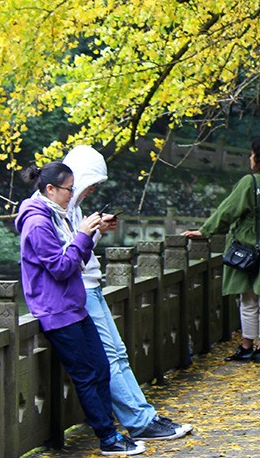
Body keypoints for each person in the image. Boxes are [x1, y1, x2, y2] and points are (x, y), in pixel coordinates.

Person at [63, 145, 192, 442]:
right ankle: (139, 420)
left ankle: (144, 415)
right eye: (91, 183)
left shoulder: (75, 207)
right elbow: (68, 254)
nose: (91, 190)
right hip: (80, 289)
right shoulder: (58, 209)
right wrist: (87, 233)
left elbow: (80, 247)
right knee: (110, 356)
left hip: (92, 284)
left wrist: (96, 230)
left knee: (118, 353)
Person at [15, 161, 143, 456]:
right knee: (86, 373)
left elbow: (78, 259)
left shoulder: (57, 215)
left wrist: (89, 233)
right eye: (68, 189)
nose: (72, 194)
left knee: (100, 366)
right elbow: (60, 268)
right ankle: (107, 438)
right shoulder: (37, 222)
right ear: (50, 189)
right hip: (56, 310)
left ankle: (110, 432)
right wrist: (83, 235)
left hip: (74, 304)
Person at [183, 137, 260, 363]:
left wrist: (205, 231)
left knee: (248, 299)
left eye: (253, 154)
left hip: (250, 250)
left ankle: (247, 345)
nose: (250, 158)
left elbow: (228, 210)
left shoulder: (250, 182)